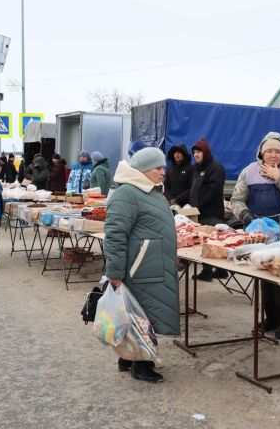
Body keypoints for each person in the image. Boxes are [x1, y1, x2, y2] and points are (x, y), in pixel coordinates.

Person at [103, 147, 179, 383]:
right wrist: (114, 273)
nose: (162, 172)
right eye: (158, 168)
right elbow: (115, 235)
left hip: (151, 265)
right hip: (140, 268)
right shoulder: (127, 193)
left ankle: (127, 358)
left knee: (139, 314)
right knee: (142, 317)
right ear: (144, 169)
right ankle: (142, 365)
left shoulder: (149, 190)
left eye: (163, 167)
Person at [230, 132, 280, 340]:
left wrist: (278, 176)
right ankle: (270, 318)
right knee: (263, 273)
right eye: (269, 150)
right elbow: (237, 199)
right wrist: (245, 216)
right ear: (261, 151)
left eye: (278, 151)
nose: (273, 155)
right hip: (257, 233)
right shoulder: (249, 171)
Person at [190, 138, 227, 281]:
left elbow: (213, 191)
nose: (196, 155)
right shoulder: (198, 168)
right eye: (194, 152)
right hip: (199, 212)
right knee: (210, 241)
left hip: (211, 214)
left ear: (205, 152)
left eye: (199, 151)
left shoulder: (216, 168)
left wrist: (199, 207)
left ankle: (208, 272)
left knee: (209, 242)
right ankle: (221, 271)